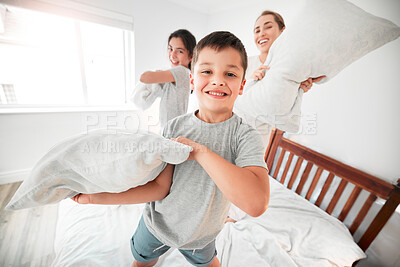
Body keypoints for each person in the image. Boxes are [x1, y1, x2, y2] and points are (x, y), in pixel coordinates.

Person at [72, 31, 269, 267]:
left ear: (241, 85)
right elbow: (158, 188)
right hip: (157, 226)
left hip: (202, 234)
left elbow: (256, 203)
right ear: (193, 80)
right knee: (142, 262)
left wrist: (200, 152)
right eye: (207, 71)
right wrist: (95, 198)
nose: (217, 80)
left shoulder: (245, 136)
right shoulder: (175, 127)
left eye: (230, 73)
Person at [226, 10, 326, 223]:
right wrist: (249, 83)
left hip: (257, 136)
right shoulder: (245, 63)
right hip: (230, 127)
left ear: (283, 31)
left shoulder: (289, 69)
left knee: (245, 179)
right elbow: (228, 95)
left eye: (268, 26)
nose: (261, 33)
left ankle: (232, 216)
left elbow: (283, 114)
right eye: (256, 29)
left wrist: (299, 90)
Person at [133, 29, 196, 129]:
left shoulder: (181, 71)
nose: (173, 55)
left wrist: (157, 73)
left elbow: (144, 78)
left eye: (179, 51)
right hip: (170, 127)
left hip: (173, 129)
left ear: (191, 56)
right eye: (170, 49)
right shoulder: (178, 74)